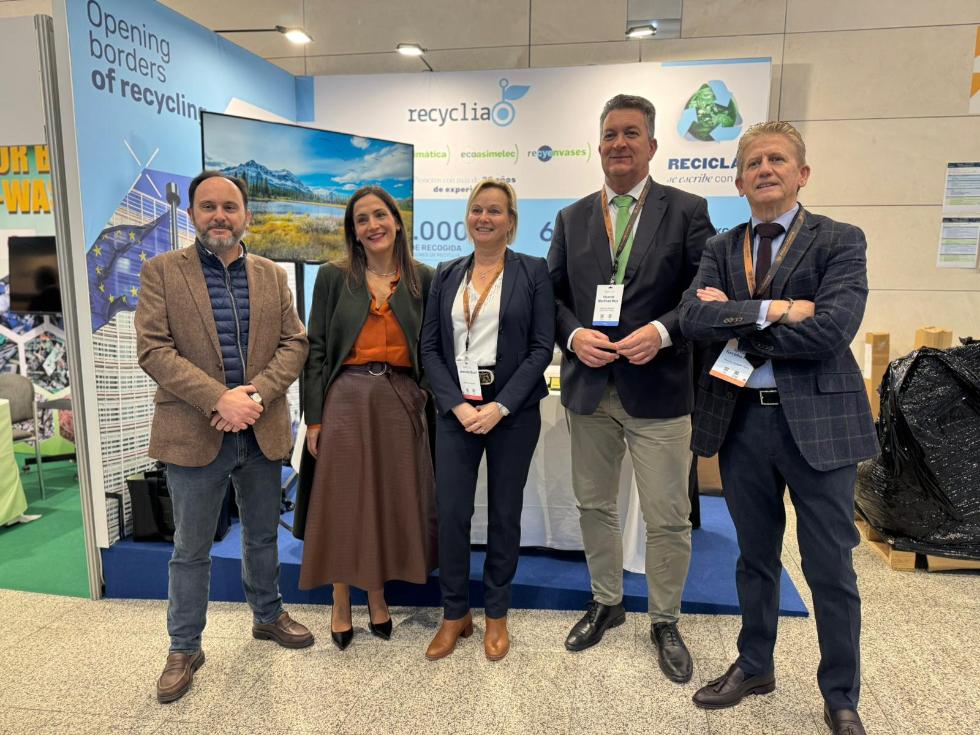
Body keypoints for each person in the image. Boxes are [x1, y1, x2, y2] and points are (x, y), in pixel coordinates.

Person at [679, 121, 878, 735]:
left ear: (802, 174)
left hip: (820, 426)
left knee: (829, 567)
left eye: (778, 160)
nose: (765, 169)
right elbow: (691, 319)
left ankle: (840, 694)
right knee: (755, 558)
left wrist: (735, 322)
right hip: (742, 424)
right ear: (739, 181)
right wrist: (779, 309)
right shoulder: (721, 246)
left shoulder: (839, 239)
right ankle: (755, 664)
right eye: (753, 162)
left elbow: (831, 330)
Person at [547, 93, 715, 683]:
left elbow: (703, 292)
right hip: (590, 387)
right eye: (610, 134)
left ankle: (665, 619)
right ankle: (607, 601)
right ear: (598, 145)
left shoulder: (688, 210)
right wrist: (573, 337)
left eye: (631, 133)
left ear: (652, 145)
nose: (619, 143)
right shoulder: (572, 217)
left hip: (660, 387)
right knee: (594, 504)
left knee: (667, 516)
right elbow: (552, 298)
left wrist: (663, 332)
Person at [135, 171, 313, 705]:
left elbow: (295, 343)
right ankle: (184, 647)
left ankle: (267, 615)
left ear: (246, 216)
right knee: (191, 549)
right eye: (208, 206)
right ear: (192, 214)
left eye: (230, 207)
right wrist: (219, 399)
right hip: (194, 432)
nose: (220, 216)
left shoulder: (271, 275)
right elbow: (154, 350)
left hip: (262, 429)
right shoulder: (162, 272)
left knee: (262, 536)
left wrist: (254, 395)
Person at [293, 186, 436, 650]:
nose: (372, 225)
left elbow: (433, 347)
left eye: (380, 215)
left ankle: (376, 594)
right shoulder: (333, 277)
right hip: (346, 399)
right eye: (362, 220)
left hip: (400, 400)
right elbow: (316, 349)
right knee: (343, 502)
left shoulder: (423, 278)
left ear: (396, 221)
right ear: (353, 232)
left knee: (385, 500)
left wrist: (425, 396)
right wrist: (315, 419)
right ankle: (340, 597)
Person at [420, 179, 554, 662]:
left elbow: (541, 347)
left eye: (495, 210)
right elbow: (429, 347)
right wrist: (456, 405)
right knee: (453, 513)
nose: (484, 218)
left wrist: (501, 406)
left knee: (504, 513)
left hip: (511, 412)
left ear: (511, 221)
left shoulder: (533, 271)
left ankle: (496, 612)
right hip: (457, 409)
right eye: (477, 209)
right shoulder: (446, 273)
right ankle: (455, 613)